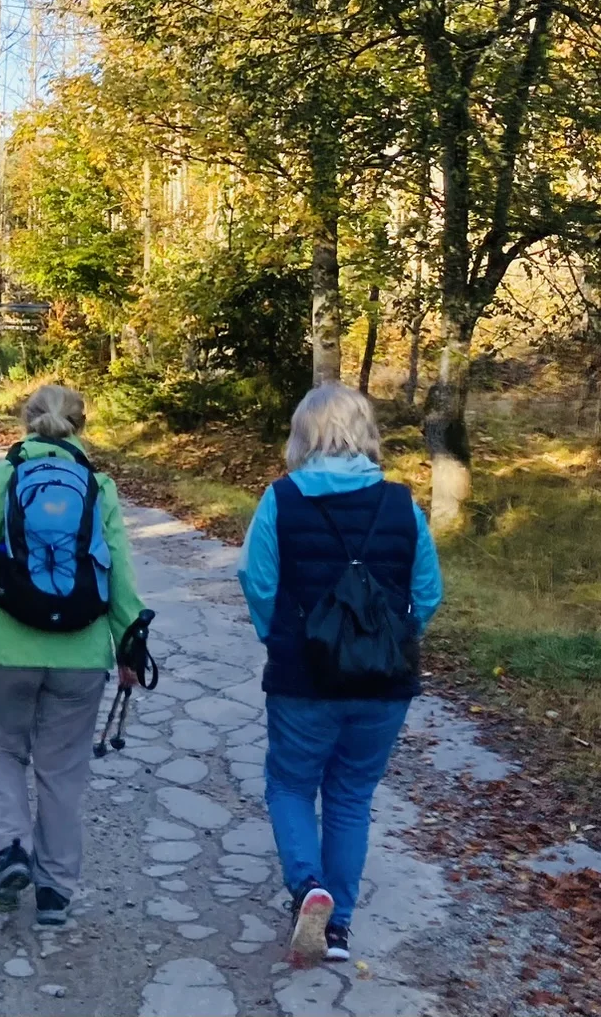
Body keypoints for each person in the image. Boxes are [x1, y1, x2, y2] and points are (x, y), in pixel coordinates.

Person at [238, 382, 442, 967]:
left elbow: (256, 581)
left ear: (303, 435)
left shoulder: (281, 499)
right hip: (383, 684)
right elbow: (427, 592)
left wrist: (276, 639)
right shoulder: (404, 504)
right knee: (352, 797)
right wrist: (390, 640)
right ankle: (339, 929)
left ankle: (309, 890)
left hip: (304, 679)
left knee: (291, 785)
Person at [0, 382, 145, 926]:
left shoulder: (4, 477)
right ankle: (54, 892)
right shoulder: (98, 486)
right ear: (81, 425)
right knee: (62, 770)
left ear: (24, 421)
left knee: (0, 749)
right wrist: (129, 647)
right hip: (80, 653)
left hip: (6, 646)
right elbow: (121, 574)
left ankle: (11, 851)